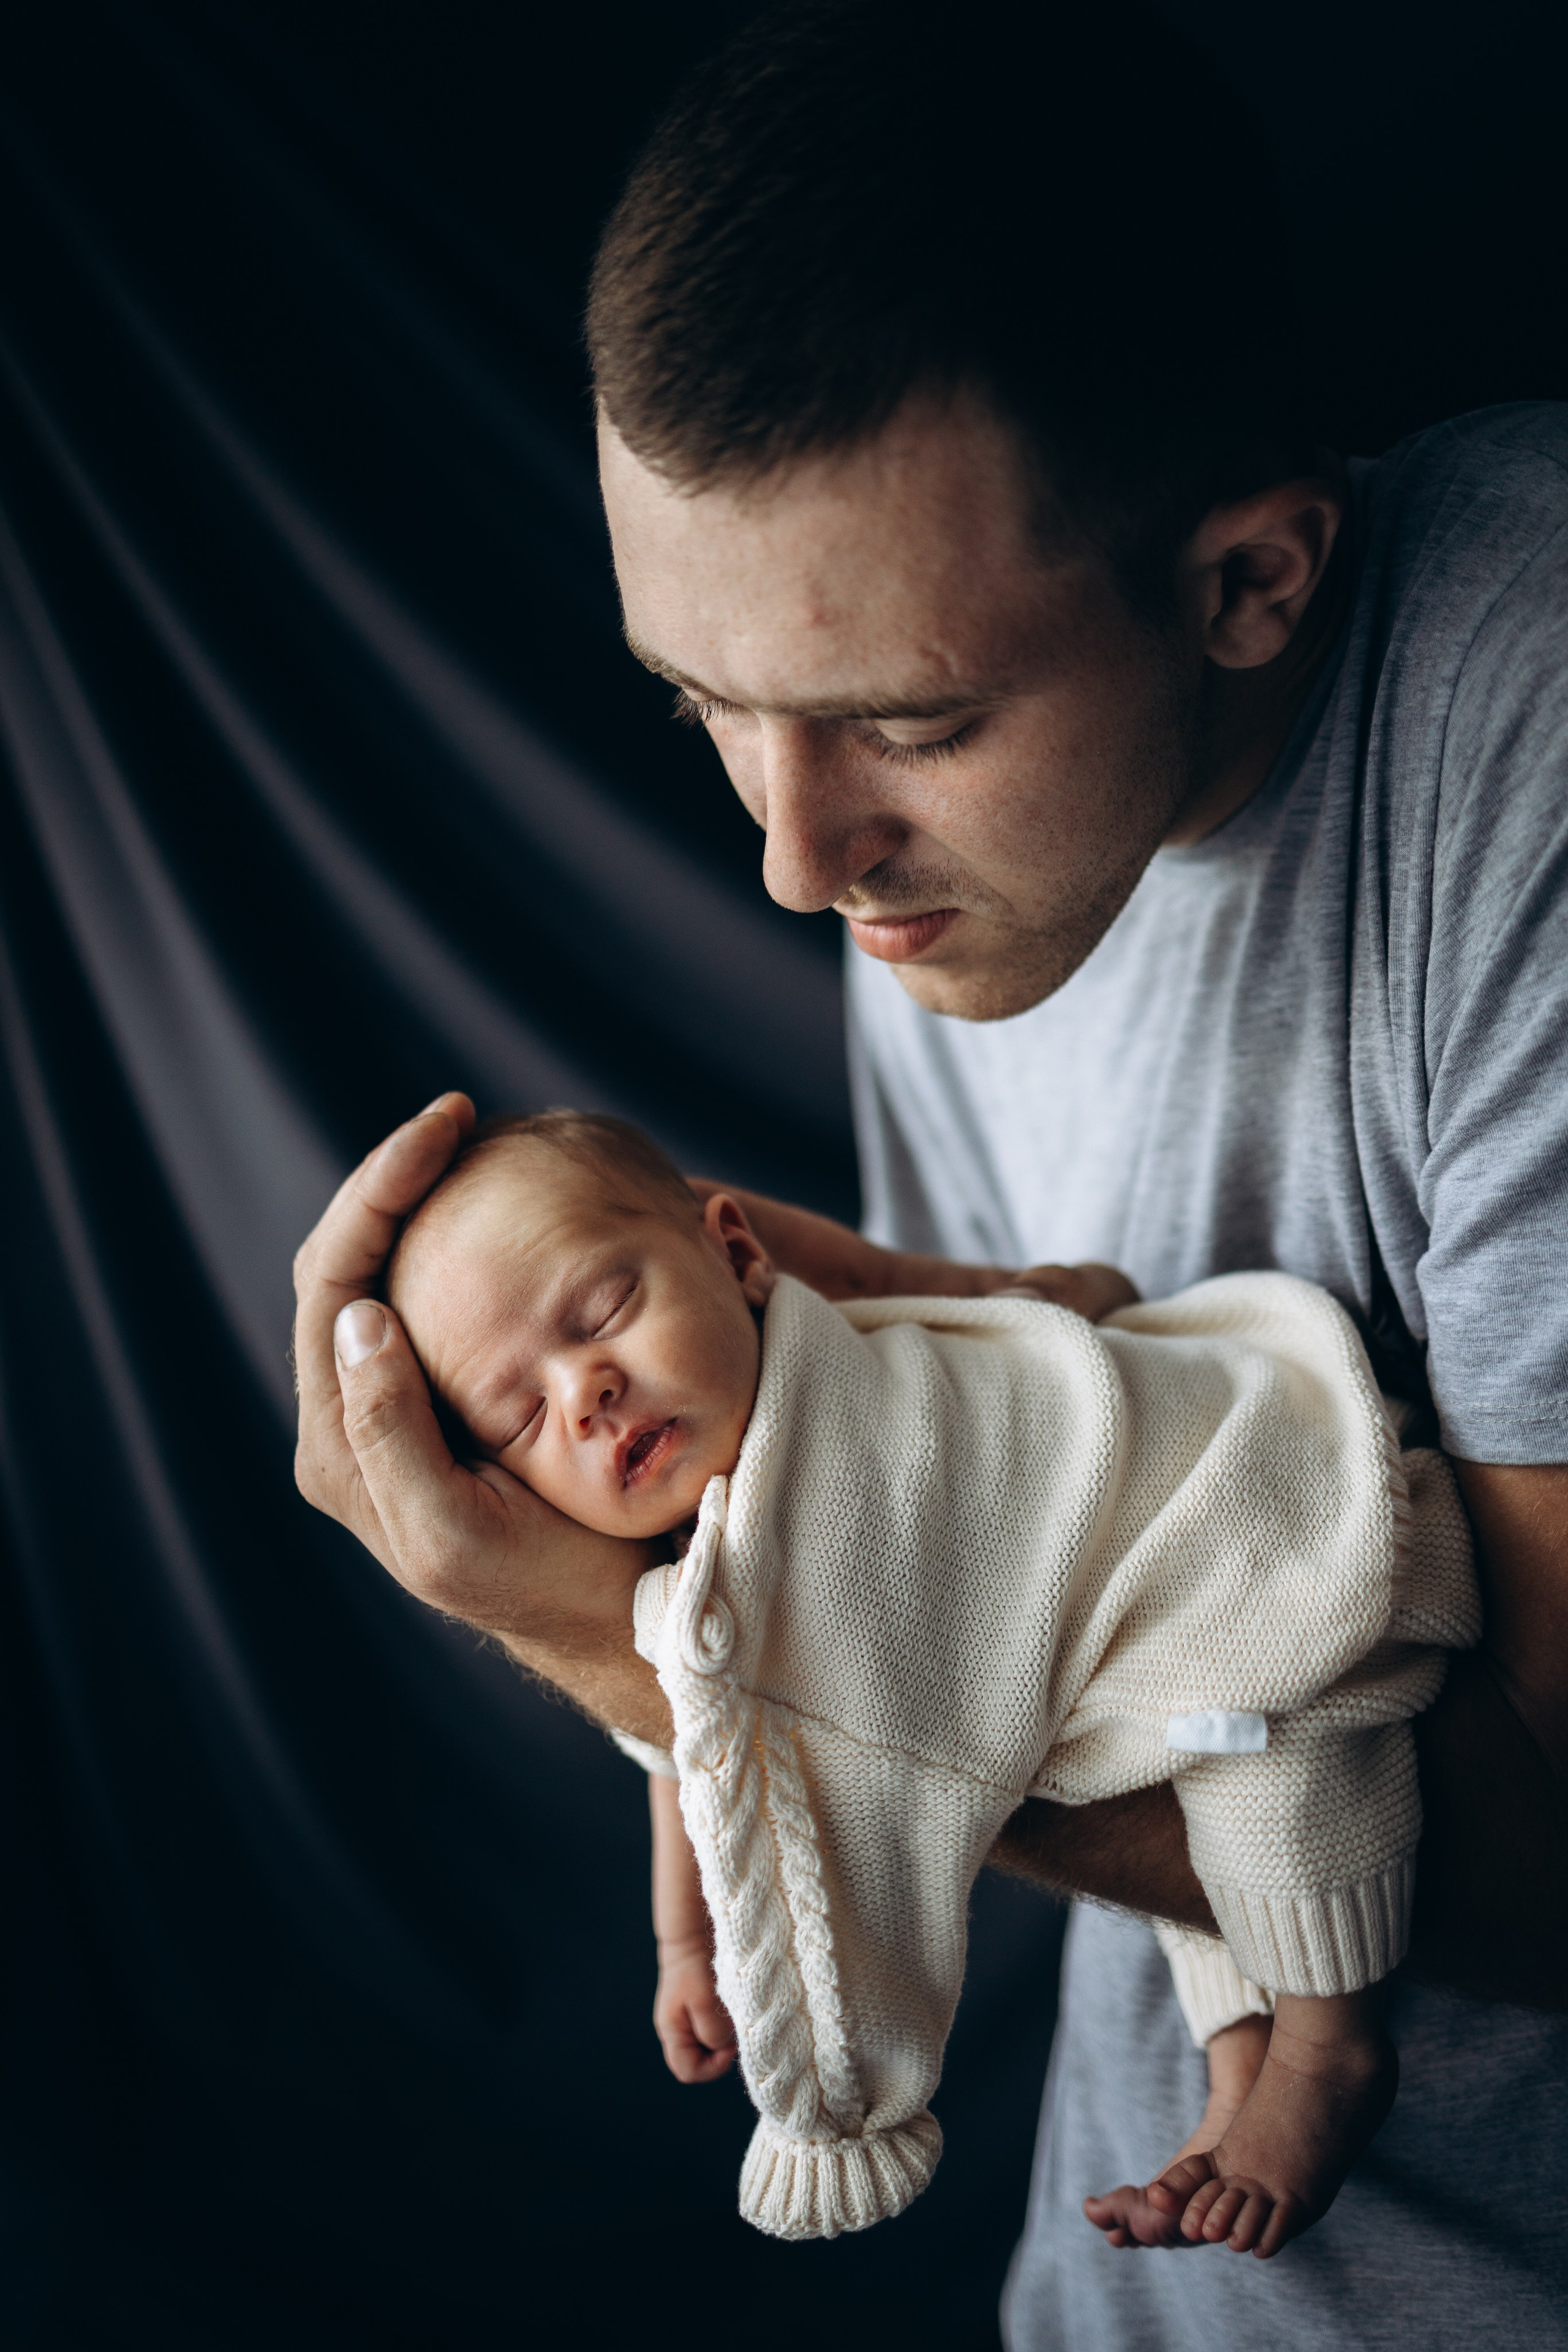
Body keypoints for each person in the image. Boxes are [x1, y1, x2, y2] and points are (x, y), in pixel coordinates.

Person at [293, 1, 1568, 2342]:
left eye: (907, 720)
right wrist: (721, 1681)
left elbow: (1560, 1843)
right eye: (706, 708)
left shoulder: (1527, 740)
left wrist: (680, 1674)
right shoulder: (938, 869)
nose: (798, 863)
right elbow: (993, 1498)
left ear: (1251, 583)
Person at [381, 1106, 1474, 2256]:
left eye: (604, 1311)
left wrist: (833, 2101)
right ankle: (1238, 2070)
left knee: (1257, 1755)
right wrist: (686, 1944)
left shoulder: (852, 1455)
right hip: (1138, 1627)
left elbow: (861, 1789)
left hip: (1277, 1522)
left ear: (737, 1254)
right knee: (1181, 1810)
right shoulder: (692, 1545)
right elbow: (689, 1733)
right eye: (522, 1413)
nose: (585, 1390)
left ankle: (1330, 2051)